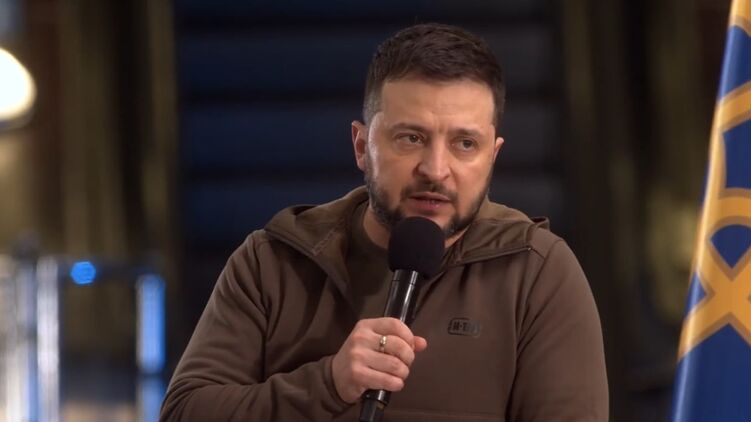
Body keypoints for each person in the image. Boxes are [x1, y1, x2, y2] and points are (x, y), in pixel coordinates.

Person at [160, 23, 608, 421]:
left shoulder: (538, 271)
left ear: (493, 156)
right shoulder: (273, 260)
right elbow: (184, 412)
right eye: (411, 138)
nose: (436, 169)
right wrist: (328, 384)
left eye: (464, 144)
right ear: (362, 146)